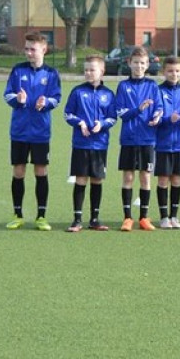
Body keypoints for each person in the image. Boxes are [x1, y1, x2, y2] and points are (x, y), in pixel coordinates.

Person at [4, 32, 62, 230]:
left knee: (41, 171)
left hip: (40, 132)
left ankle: (41, 216)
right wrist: (17, 100)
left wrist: (45, 103)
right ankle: (17, 214)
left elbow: (56, 98)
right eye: (27, 48)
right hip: (19, 131)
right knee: (18, 171)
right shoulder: (18, 70)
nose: (28, 52)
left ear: (43, 50)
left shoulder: (52, 74)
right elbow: (7, 94)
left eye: (33, 49)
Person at [63, 55, 116, 232]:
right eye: (85, 69)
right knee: (81, 179)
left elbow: (112, 117)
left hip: (100, 144)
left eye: (92, 69)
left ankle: (94, 219)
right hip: (81, 144)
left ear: (102, 71)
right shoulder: (77, 92)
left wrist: (102, 124)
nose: (88, 73)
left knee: (97, 179)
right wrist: (80, 123)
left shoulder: (108, 94)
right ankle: (77, 219)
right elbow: (68, 114)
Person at [115, 46, 162, 231]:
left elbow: (159, 106)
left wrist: (157, 116)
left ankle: (144, 217)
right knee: (128, 177)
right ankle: (127, 218)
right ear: (129, 63)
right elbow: (122, 113)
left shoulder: (152, 86)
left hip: (148, 139)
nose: (139, 66)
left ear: (147, 64)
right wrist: (139, 109)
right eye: (136, 63)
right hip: (128, 139)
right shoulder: (123, 86)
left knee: (145, 177)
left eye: (143, 63)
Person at [155, 55, 180, 228]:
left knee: (177, 179)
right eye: (170, 71)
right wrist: (169, 119)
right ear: (164, 72)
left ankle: (174, 216)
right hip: (162, 143)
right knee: (163, 180)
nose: (174, 74)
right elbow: (154, 117)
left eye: (177, 71)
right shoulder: (157, 91)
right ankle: (164, 217)